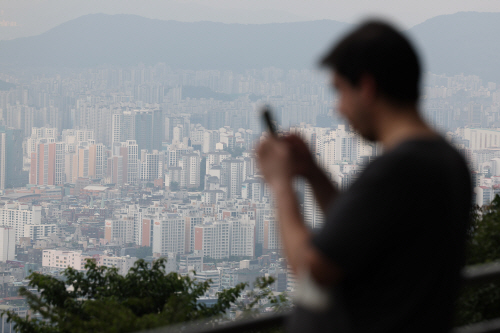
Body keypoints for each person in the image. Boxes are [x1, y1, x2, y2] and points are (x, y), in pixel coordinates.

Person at [256, 21, 472, 333]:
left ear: (367, 88)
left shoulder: (397, 170)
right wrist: (313, 174)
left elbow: (310, 268)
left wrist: (280, 185)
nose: (338, 108)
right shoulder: (448, 160)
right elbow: (357, 233)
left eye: (340, 91)